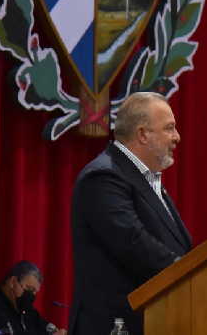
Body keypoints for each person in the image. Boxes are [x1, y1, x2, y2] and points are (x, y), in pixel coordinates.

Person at [69, 92, 192, 335]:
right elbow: (133, 242)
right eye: (169, 128)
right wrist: (192, 274)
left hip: (158, 321)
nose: (177, 137)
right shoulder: (104, 177)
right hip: (116, 325)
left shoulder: (147, 180)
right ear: (143, 134)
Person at [0, 261, 65, 335]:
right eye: (29, 289)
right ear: (13, 282)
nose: (31, 295)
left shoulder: (25, 308)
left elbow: (44, 327)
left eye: (34, 292)